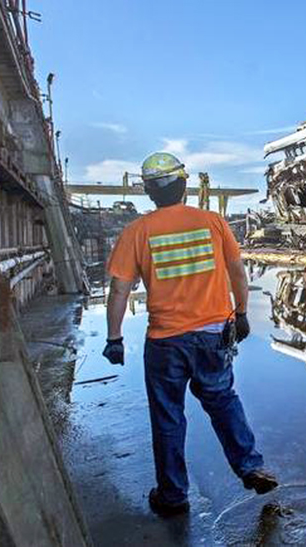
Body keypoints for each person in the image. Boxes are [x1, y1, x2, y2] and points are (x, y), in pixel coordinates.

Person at [102, 152, 277, 517]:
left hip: (165, 341)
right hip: (213, 333)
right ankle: (249, 466)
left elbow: (119, 289)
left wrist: (114, 338)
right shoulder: (212, 222)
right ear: (184, 185)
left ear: (149, 192)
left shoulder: (137, 231)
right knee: (223, 400)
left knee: (168, 416)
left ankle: (173, 494)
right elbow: (237, 272)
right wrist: (242, 314)